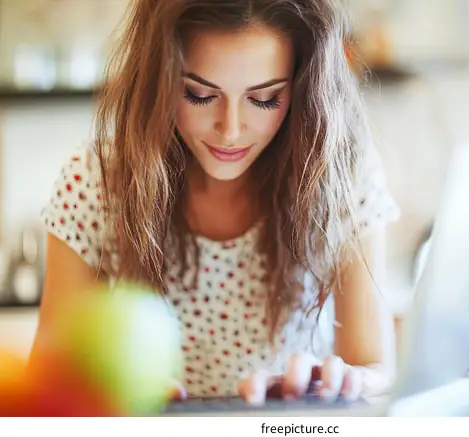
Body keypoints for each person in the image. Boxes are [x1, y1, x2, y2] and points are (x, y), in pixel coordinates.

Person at [32, 0, 401, 406]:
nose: (230, 129)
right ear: (158, 79)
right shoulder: (98, 180)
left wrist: (341, 384)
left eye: (264, 99)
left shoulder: (338, 173)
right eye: (199, 94)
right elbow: (47, 390)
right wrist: (113, 399)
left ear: (300, 87)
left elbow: (376, 369)